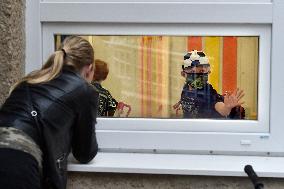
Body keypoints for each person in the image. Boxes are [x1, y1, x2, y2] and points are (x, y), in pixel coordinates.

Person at [0, 36, 99, 189]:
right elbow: (85, 153)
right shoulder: (84, 90)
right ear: (90, 68)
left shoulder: (31, 79)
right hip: (17, 161)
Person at [173, 50, 245, 119]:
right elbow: (187, 97)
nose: (197, 75)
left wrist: (227, 107)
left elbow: (221, 108)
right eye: (192, 71)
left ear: (208, 72)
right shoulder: (186, 87)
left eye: (201, 71)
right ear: (183, 74)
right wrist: (180, 103)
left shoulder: (208, 92)